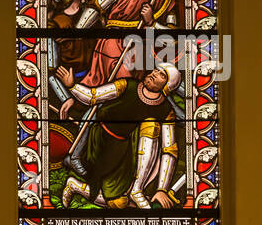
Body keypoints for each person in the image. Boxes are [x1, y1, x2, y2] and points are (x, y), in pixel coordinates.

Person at [54, 62, 181, 211]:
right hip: (100, 142)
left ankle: (78, 187)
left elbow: (169, 148)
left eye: (162, 74)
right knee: (150, 125)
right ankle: (136, 190)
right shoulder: (127, 85)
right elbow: (92, 96)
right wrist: (72, 86)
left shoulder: (166, 110)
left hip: (125, 149)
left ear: (168, 85)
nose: (154, 73)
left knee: (118, 203)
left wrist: (162, 189)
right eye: (155, 70)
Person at [78, 0, 178, 86]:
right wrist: (77, 31)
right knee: (121, 79)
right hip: (113, 40)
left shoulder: (168, 0)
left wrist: (152, 23)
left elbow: (172, 38)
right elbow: (97, 5)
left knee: (133, 89)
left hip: (141, 50)